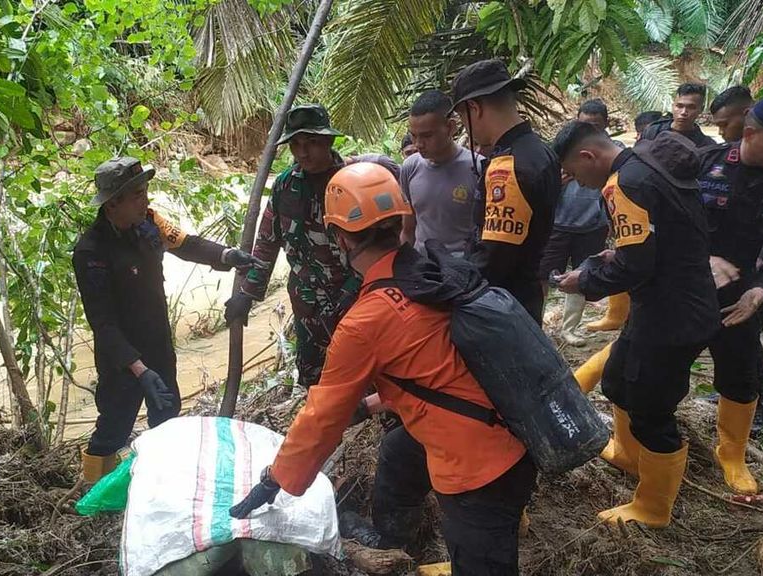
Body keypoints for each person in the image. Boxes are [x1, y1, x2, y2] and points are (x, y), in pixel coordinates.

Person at [229, 162, 535, 576]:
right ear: (398, 222)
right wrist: (372, 404)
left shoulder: (365, 321)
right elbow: (433, 368)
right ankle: (396, 543)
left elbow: (322, 418)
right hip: (511, 425)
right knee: (398, 454)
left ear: (340, 237)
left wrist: (275, 479)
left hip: (480, 469)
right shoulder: (431, 271)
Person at [553, 124, 719, 528]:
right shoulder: (647, 163)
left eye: (573, 173)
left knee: (650, 410)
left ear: (588, 157)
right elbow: (654, 242)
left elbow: (637, 265)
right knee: (616, 381)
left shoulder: (622, 184)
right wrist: (621, 253)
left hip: (671, 317)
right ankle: (628, 455)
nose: (577, 182)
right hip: (669, 305)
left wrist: (585, 282)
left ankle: (653, 508)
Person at [73, 157, 261, 482]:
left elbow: (187, 244)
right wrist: (139, 370)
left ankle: (161, 483)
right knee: (114, 428)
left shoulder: (149, 223)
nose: (145, 200)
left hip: (158, 346)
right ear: (112, 203)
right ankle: (91, 496)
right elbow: (103, 325)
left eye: (145, 191)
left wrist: (226, 256)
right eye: (137, 195)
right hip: (122, 359)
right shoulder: (91, 252)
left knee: (168, 418)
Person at [695, 96, 763, 493]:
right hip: (682, 288)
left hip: (741, 297)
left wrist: (762, 288)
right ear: (751, 132)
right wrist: (701, 258)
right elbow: (663, 221)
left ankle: (732, 455)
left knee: (741, 374)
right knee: (653, 366)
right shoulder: (703, 163)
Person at [224, 104, 362, 388]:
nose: (302, 152)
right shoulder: (286, 185)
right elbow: (266, 243)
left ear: (328, 141)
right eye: (295, 144)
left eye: (311, 143)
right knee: (314, 383)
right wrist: (246, 294)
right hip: (306, 304)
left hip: (353, 303)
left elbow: (375, 249)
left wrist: (352, 294)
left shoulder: (353, 183)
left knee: (361, 377)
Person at [450, 59, 561, 324]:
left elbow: (495, 257)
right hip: (525, 297)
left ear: (474, 108)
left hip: (503, 307)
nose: (466, 127)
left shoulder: (508, 166)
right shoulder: (541, 150)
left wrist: (455, 289)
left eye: (462, 118)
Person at [540, 99, 614, 345]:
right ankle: (535, 327)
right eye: (584, 124)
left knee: (582, 277)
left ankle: (569, 328)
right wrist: (556, 184)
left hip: (592, 226)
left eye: (595, 125)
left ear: (605, 125)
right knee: (542, 276)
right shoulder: (560, 154)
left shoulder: (613, 153)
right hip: (559, 224)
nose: (589, 130)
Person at [399, 90, 483, 256]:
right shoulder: (410, 167)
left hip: (463, 270)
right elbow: (408, 228)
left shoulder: (478, 168)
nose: (418, 144)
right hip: (423, 270)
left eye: (427, 136)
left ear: (450, 127)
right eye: (413, 136)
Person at [641, 83, 717, 148]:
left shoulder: (706, 145)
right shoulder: (652, 131)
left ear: (701, 109)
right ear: (673, 106)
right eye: (679, 106)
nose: (683, 112)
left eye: (691, 107)